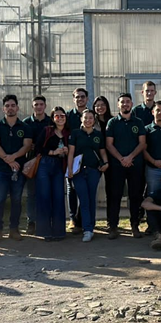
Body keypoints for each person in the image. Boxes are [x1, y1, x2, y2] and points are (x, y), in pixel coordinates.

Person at [0, 94, 33, 241]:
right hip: (0, 169)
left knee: (16, 199)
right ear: (3, 109)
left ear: (17, 108)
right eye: (7, 106)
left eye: (13, 105)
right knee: (0, 199)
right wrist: (7, 160)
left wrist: (14, 157)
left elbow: (27, 145)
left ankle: (14, 229)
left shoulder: (25, 127)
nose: (10, 108)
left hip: (18, 170)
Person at [105, 93, 147, 239]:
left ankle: (135, 224)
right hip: (117, 165)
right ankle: (113, 226)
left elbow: (142, 143)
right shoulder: (112, 122)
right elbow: (109, 144)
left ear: (132, 104)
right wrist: (121, 158)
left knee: (135, 195)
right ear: (118, 105)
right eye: (122, 102)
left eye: (128, 102)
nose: (125, 104)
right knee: (115, 195)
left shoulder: (138, 122)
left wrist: (130, 157)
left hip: (135, 164)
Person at [68, 109, 109, 242]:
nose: (88, 120)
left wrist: (106, 162)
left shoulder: (98, 135)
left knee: (92, 199)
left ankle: (91, 226)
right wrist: (69, 171)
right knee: (83, 200)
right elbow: (71, 153)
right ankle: (87, 229)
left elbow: (102, 151)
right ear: (81, 119)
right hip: (78, 171)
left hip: (93, 171)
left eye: (91, 118)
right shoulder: (75, 134)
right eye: (85, 118)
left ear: (94, 120)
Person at [35, 107, 70, 241]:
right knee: (44, 197)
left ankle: (59, 231)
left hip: (59, 167)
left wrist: (66, 151)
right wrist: (53, 152)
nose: (60, 118)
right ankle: (45, 231)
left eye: (62, 116)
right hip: (45, 164)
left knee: (59, 197)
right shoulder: (47, 131)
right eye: (57, 116)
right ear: (53, 118)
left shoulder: (68, 133)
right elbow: (38, 148)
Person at [23, 95, 51, 234]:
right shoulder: (26, 123)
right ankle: (31, 222)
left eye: (41, 104)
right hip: (31, 162)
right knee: (32, 194)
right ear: (32, 106)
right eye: (36, 104)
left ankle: (46, 220)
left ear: (45, 106)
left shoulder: (51, 122)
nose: (39, 107)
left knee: (47, 193)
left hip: (48, 162)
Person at [66, 88, 90, 232]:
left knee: (86, 190)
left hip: (89, 158)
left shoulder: (90, 115)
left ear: (87, 99)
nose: (80, 99)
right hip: (72, 158)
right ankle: (72, 219)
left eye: (82, 97)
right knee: (71, 188)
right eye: (77, 97)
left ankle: (82, 219)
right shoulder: (68, 116)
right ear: (73, 99)